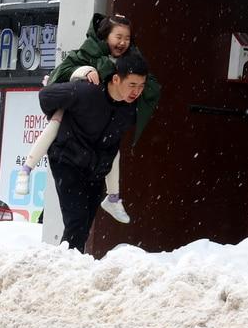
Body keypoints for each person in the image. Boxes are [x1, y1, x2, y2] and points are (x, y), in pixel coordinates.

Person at [15, 13, 162, 224]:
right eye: (118, 36)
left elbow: (151, 85)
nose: (123, 43)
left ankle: (113, 197)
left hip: (101, 139)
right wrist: (85, 72)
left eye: (127, 38)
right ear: (104, 36)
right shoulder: (88, 52)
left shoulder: (133, 60)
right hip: (75, 115)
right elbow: (60, 76)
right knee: (56, 124)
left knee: (113, 149)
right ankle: (26, 170)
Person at [39, 51, 147, 254]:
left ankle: (68, 263)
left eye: (141, 86)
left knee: (84, 225)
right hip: (67, 161)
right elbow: (45, 96)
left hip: (96, 170)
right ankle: (66, 269)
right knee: (77, 221)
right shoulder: (86, 92)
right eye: (132, 85)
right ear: (116, 79)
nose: (136, 91)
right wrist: (59, 125)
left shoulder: (129, 111)